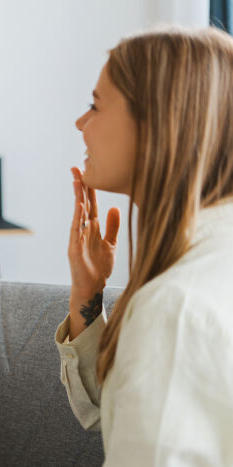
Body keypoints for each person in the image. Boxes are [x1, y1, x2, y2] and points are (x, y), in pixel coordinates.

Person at [56, 27, 233, 465]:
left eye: (96, 105)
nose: (81, 123)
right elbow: (122, 406)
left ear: (158, 124)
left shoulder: (174, 308)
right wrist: (87, 295)